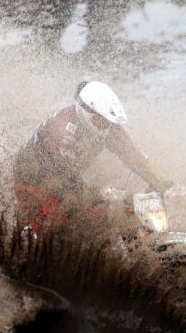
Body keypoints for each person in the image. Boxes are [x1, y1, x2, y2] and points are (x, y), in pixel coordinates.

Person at [14, 81, 172, 229]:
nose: (106, 127)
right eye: (101, 121)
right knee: (72, 224)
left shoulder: (106, 126)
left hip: (68, 178)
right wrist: (101, 197)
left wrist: (163, 182)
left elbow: (135, 157)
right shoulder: (64, 128)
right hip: (35, 182)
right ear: (87, 112)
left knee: (105, 211)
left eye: (108, 122)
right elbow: (62, 175)